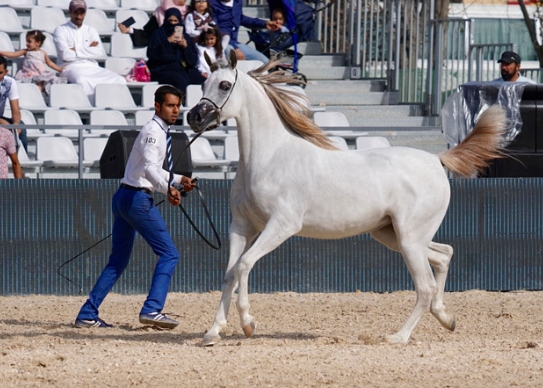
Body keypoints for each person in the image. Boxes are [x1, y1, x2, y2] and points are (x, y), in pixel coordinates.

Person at [75, 84, 197, 329]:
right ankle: (152, 309)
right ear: (158, 106)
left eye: (178, 105)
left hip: (124, 197)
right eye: (171, 105)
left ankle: (87, 314)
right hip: (137, 200)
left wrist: (177, 179)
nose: (176, 110)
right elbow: (150, 169)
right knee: (169, 253)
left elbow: (152, 168)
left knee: (117, 261)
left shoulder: (157, 130)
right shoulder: (154, 132)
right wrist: (168, 189)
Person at [53, 0, 126, 105]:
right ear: (70, 12)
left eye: (81, 13)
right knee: (82, 80)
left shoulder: (91, 30)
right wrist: (88, 48)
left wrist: (74, 49)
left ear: (85, 13)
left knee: (120, 80)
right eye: (76, 12)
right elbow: (64, 55)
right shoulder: (60, 30)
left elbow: (99, 52)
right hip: (70, 67)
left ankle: (112, 107)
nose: (79, 16)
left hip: (92, 66)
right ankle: (91, 108)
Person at [146, 8, 205, 96]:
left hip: (183, 68)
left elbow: (193, 61)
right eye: (170, 20)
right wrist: (167, 42)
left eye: (175, 21)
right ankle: (180, 105)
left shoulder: (185, 36)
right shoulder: (158, 34)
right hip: (163, 69)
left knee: (202, 81)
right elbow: (152, 54)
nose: (173, 23)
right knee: (180, 81)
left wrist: (186, 47)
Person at [209, 0, 280, 62]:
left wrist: (264, 23)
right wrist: (235, 48)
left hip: (235, 42)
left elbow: (241, 18)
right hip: (221, 42)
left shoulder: (237, 2)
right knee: (232, 58)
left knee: (264, 62)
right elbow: (216, 30)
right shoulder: (211, 4)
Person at [0, 30, 67, 95]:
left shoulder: (43, 53)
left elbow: (50, 63)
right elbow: (13, 54)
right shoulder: (26, 51)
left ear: (38, 43)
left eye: (29, 42)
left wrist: (59, 69)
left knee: (40, 80)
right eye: (26, 41)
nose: (27, 43)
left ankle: (38, 95)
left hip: (39, 73)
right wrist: (1, 52)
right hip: (28, 73)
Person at [118, 0, 189, 49]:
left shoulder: (190, 11)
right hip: (164, 53)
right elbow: (148, 34)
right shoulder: (159, 13)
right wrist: (129, 30)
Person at [0, 56, 26, 153]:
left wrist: (15, 126)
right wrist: (4, 123)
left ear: (6, 72)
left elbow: (16, 110)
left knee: (21, 126)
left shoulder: (10, 82)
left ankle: (20, 162)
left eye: (0, 73)